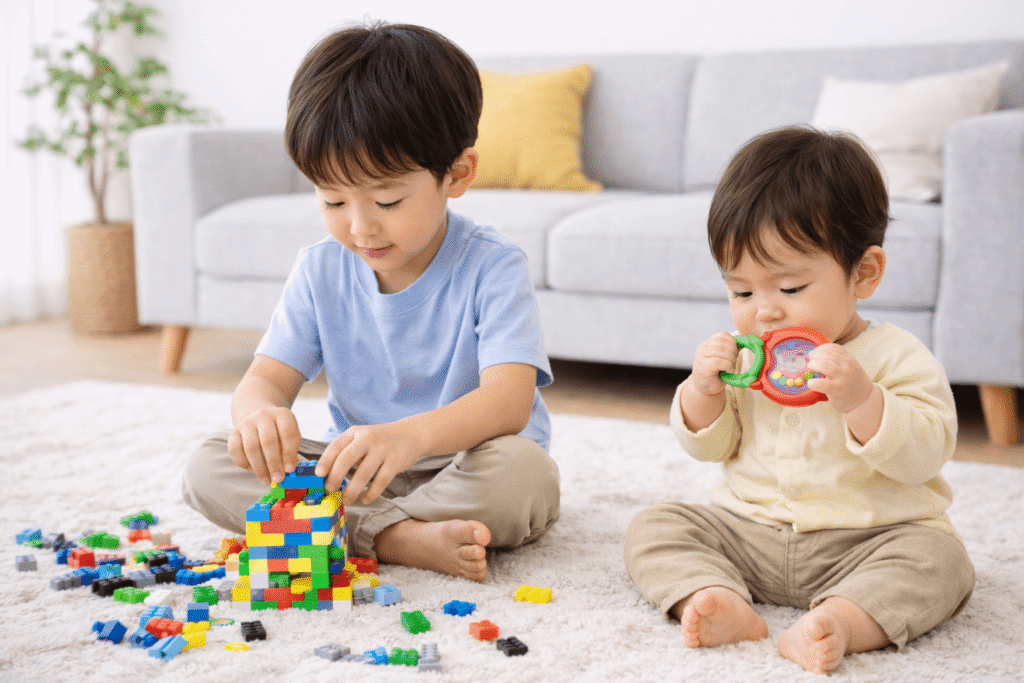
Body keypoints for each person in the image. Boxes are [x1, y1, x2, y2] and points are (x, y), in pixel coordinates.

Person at [181, 22, 560, 582]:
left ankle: (350, 533)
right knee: (208, 463)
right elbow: (264, 379)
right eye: (333, 199)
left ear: (457, 175)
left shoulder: (492, 265)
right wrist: (259, 417)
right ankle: (399, 538)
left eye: (387, 198)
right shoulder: (319, 269)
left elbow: (508, 404)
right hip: (353, 472)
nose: (360, 226)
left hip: (462, 465)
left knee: (525, 474)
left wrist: (409, 438)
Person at [623, 126, 974, 674]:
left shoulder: (897, 356)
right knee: (656, 525)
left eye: (788, 289)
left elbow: (926, 454)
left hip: (868, 539)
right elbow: (713, 447)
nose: (764, 311)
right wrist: (703, 392)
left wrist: (863, 401)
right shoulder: (749, 359)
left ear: (864, 273)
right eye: (741, 291)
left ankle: (843, 619)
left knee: (942, 561)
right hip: (751, 533)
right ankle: (717, 598)